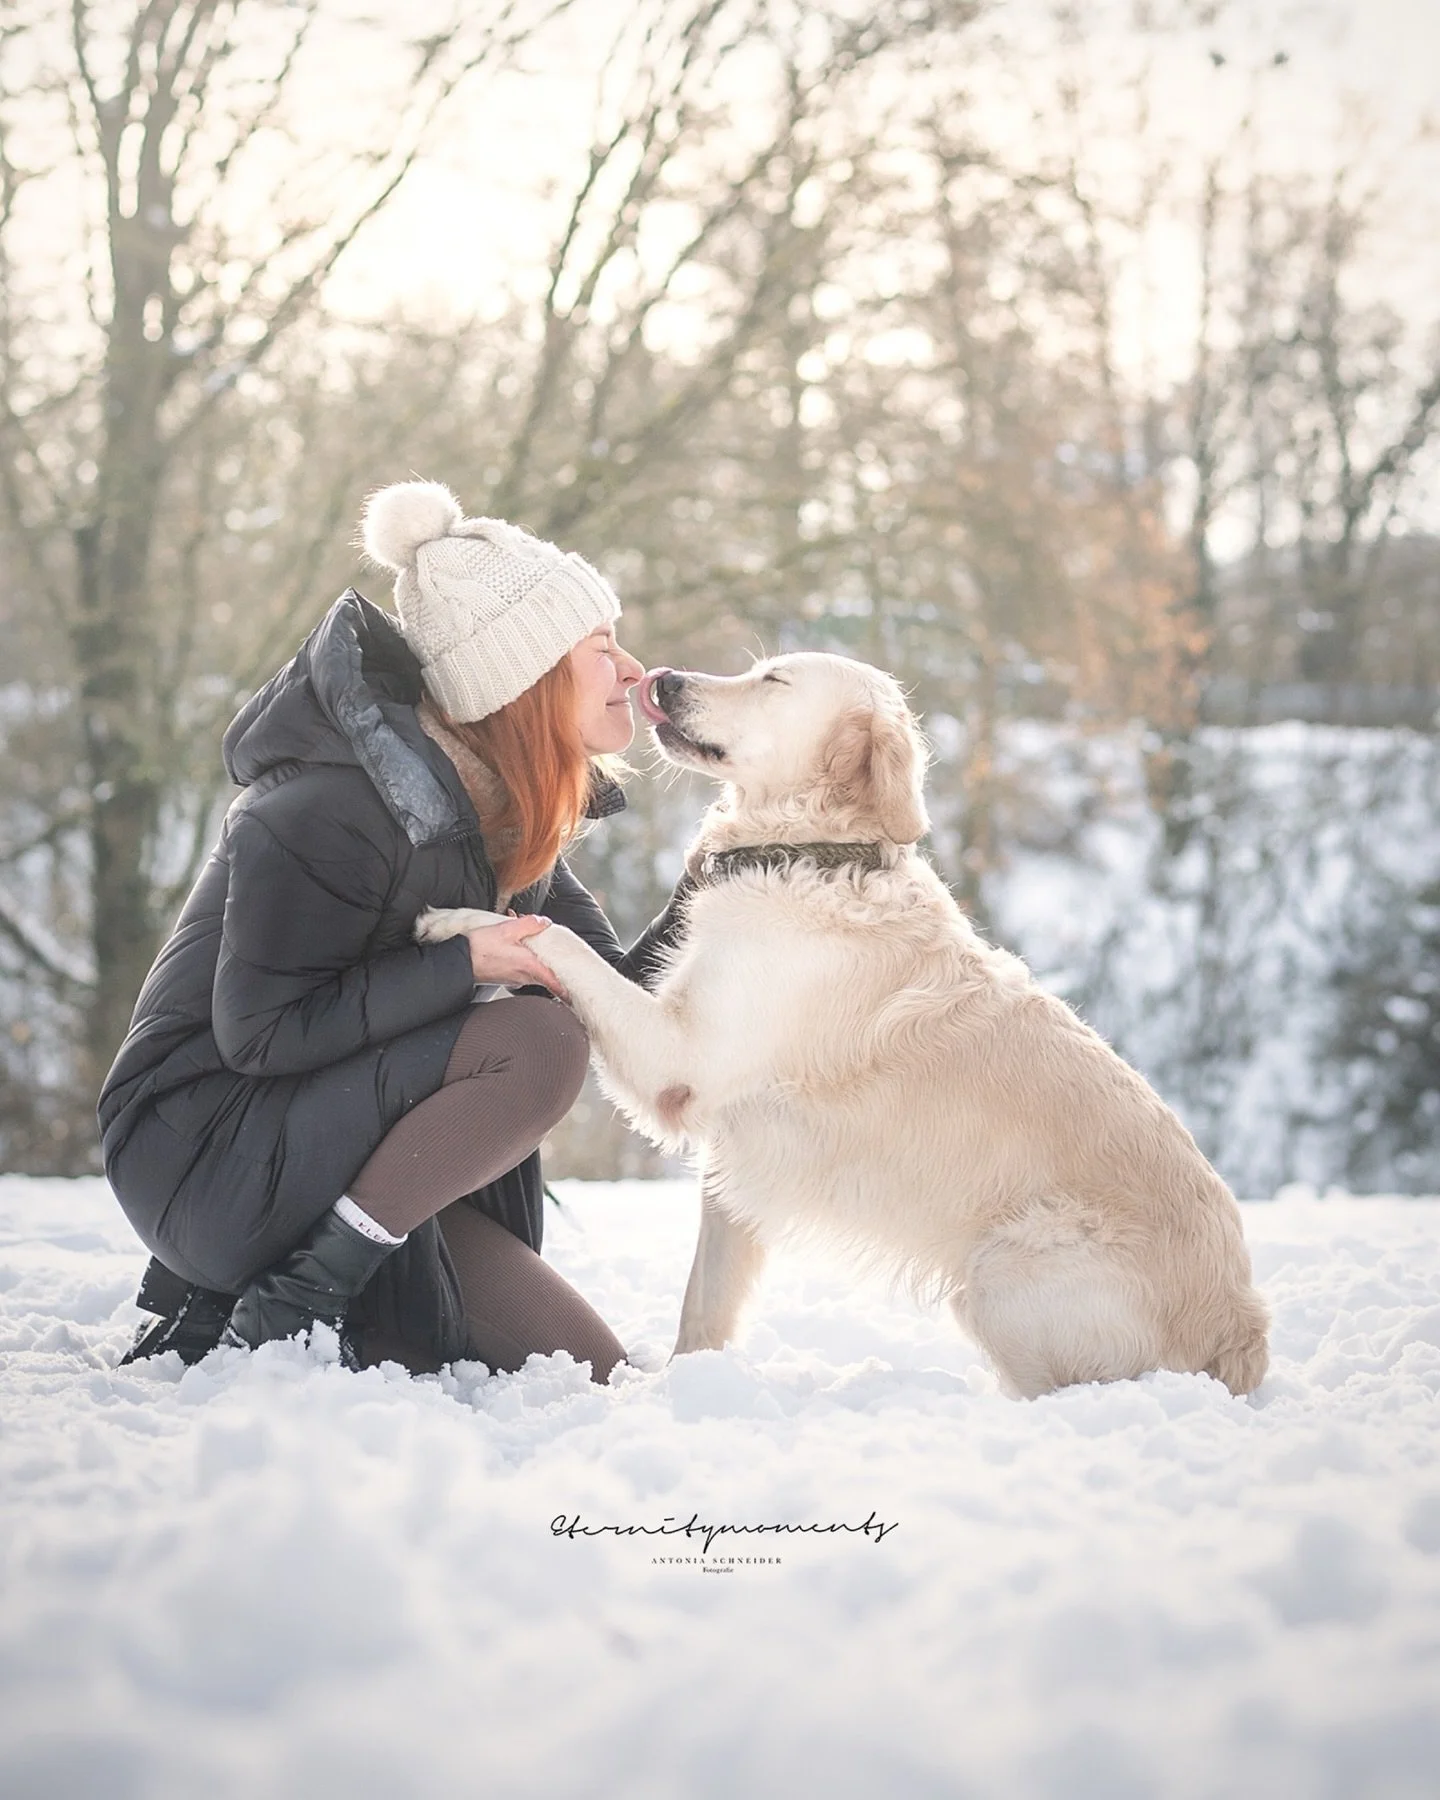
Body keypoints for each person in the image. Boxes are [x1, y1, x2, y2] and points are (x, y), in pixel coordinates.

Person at [98, 480, 689, 1380]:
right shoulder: (324, 808)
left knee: (592, 1373)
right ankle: (293, 1301)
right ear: (521, 675)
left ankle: (308, 1284)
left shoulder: (500, 818)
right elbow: (258, 1034)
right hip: (203, 1153)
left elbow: (618, 998)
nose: (634, 669)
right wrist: (464, 964)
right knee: (537, 1040)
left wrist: (732, 871)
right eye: (601, 647)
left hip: (339, 1154)